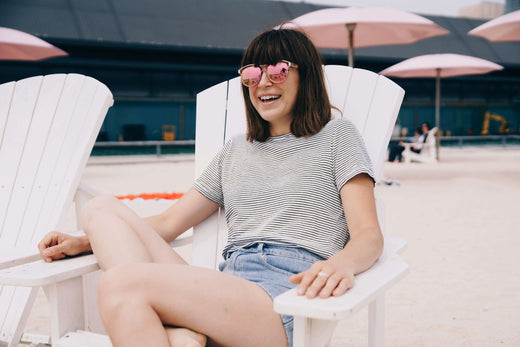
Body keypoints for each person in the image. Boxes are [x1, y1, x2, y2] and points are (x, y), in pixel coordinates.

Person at [38, 28, 383, 347]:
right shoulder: (236, 150)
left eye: (277, 70)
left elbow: (368, 235)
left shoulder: (337, 137)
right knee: (99, 210)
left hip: (282, 298)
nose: (262, 82)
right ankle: (183, 332)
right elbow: (170, 223)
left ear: (305, 74)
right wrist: (85, 242)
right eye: (251, 73)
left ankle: (179, 331)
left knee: (118, 284)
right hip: (226, 290)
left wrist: (343, 264)